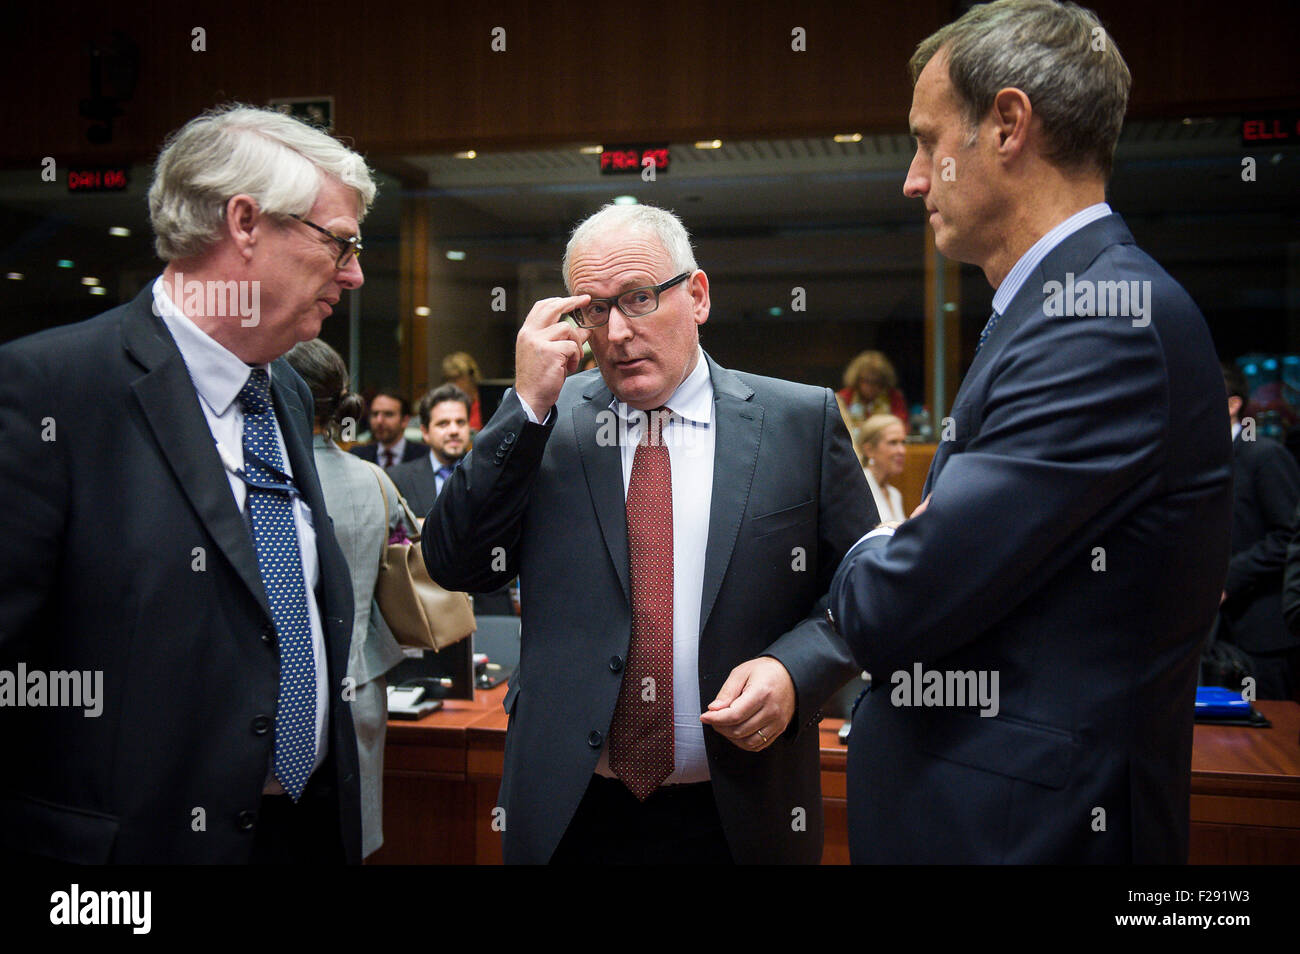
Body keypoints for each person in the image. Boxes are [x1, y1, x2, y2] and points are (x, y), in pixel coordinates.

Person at [828, 0, 1232, 863]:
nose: (911, 178)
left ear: (1007, 125)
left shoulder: (1101, 324)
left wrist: (866, 539)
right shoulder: (1061, 309)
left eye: (927, 138)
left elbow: (897, 601)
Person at [424, 203, 874, 864]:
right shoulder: (546, 423)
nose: (615, 333)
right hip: (572, 812)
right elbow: (457, 563)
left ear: (697, 296)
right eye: (594, 311)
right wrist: (523, 408)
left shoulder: (798, 422)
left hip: (737, 811)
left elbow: (864, 590)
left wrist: (793, 669)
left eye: (637, 299)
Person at [0, 104, 376, 862]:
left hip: (299, 831)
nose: (355, 272)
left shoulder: (286, 391)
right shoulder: (51, 389)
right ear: (245, 222)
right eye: (339, 242)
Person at [286, 338, 414, 858]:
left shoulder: (273, 479)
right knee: (350, 842)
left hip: (288, 699)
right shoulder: (375, 478)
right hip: (361, 690)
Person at [1220, 363, 1300, 700]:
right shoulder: (1201, 463)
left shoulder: (1264, 455)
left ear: (1232, 404)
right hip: (1216, 634)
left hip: (1262, 635)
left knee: (1264, 746)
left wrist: (1226, 579)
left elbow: (1288, 536)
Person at [389, 383, 472, 517]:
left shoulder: (486, 475)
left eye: (460, 422)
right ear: (425, 432)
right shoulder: (399, 479)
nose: (454, 431)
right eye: (443, 423)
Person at [837, 350, 908, 444]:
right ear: (857, 379)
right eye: (866, 381)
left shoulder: (894, 397)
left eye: (876, 382)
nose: (870, 387)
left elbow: (902, 426)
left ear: (883, 381)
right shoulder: (844, 397)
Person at [350, 389, 424, 467]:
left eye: (388, 414)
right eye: (375, 414)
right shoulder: (357, 456)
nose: (379, 421)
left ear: (405, 420)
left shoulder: (424, 456)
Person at [859, 414, 907, 523]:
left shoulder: (895, 494)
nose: (902, 451)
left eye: (903, 442)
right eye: (893, 443)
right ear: (869, 450)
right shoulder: (859, 488)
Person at [441, 351, 483, 431]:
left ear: (471, 377)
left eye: (458, 378)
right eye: (449, 379)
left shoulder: (484, 403)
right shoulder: (447, 404)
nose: (453, 383)